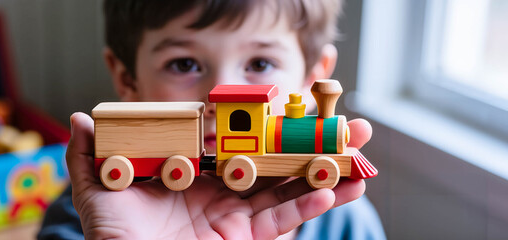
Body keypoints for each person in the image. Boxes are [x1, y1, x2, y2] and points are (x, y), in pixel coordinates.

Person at [39, 0, 386, 239]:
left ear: (312, 78)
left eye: (259, 64)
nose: (217, 98)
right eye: (184, 64)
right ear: (127, 78)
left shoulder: (348, 224)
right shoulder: (83, 219)